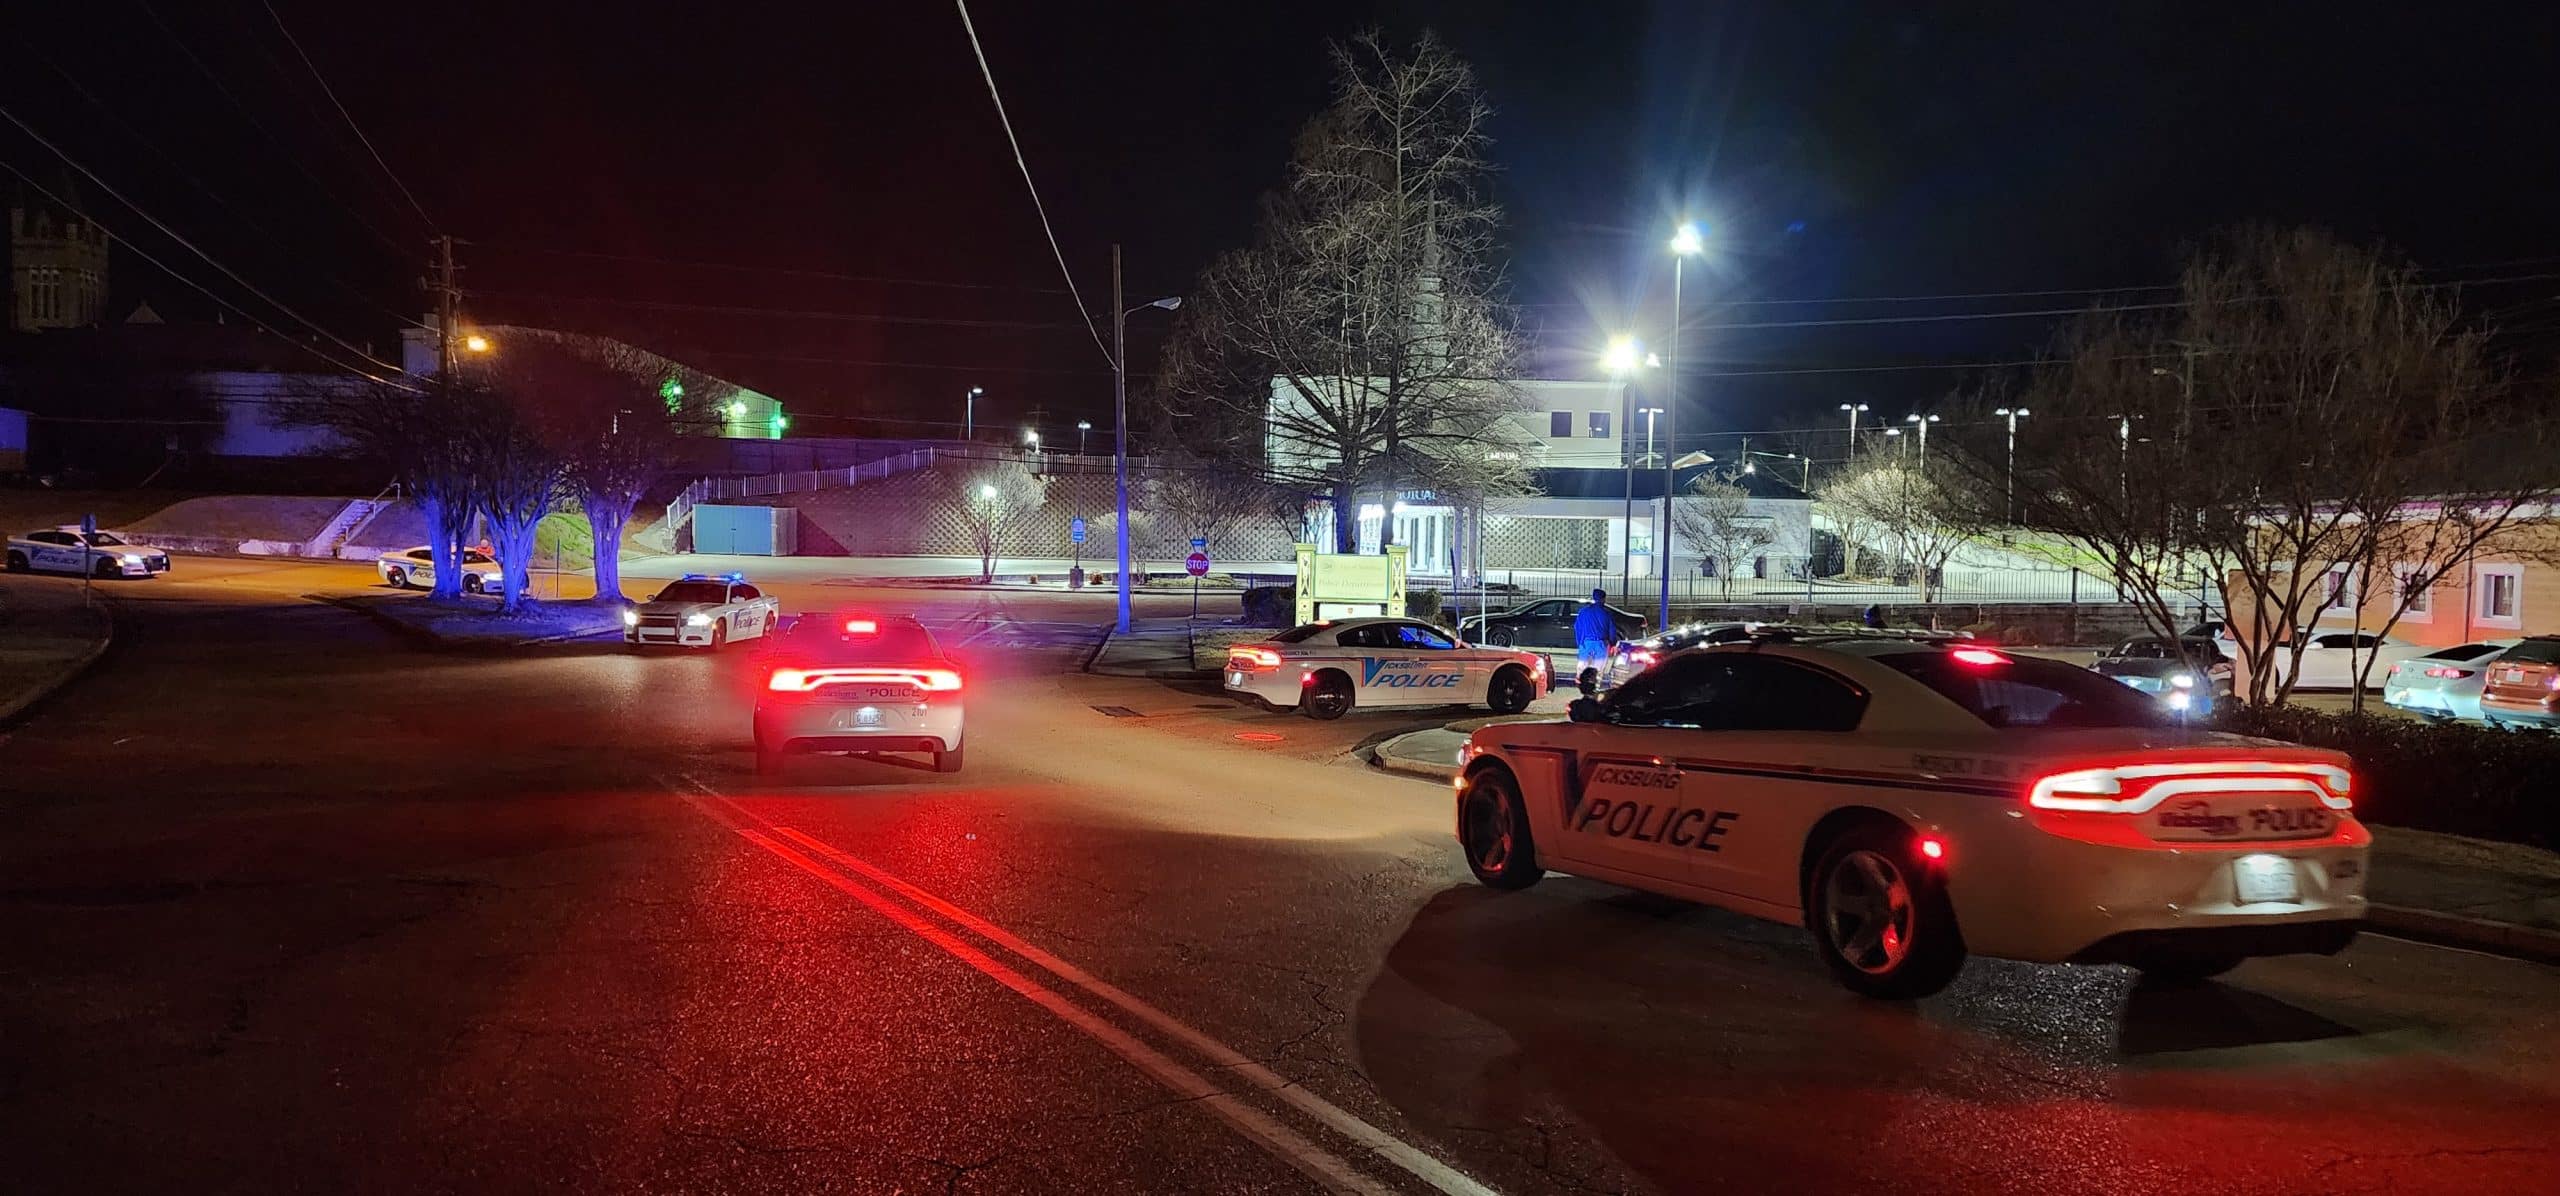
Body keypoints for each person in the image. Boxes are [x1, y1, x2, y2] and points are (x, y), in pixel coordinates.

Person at [1574, 587, 1620, 692]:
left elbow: (1577, 628)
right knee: (1598, 668)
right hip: (1601, 643)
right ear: (1603, 599)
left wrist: (1580, 642)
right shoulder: (1607, 613)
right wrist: (1613, 644)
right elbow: (1612, 630)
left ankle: (1582, 685)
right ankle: (1595, 687)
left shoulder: (1583, 612)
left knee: (1582, 665)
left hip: (1586, 643)